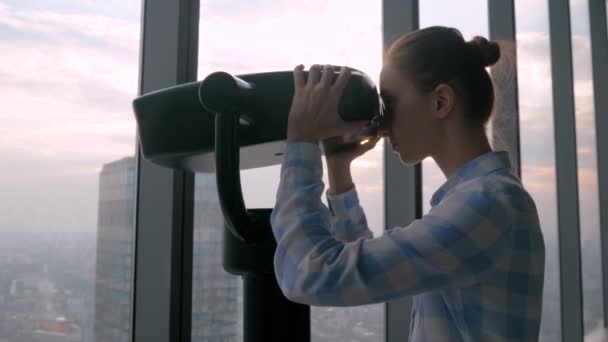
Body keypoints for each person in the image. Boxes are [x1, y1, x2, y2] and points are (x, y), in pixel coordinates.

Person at [270, 26, 545, 341]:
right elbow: (367, 266)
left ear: (441, 101)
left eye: (388, 102)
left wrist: (302, 142)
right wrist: (338, 167)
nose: (382, 124)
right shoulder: (484, 200)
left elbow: (311, 274)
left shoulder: (487, 204)